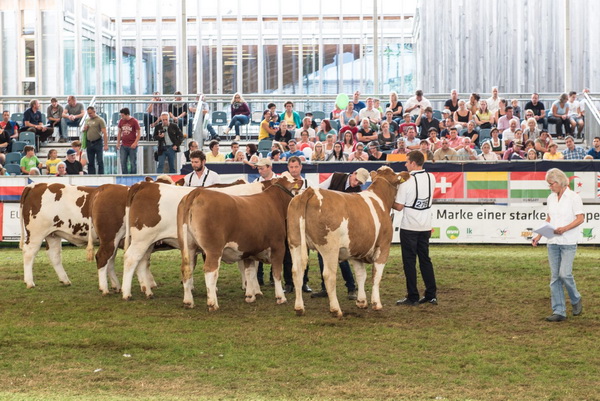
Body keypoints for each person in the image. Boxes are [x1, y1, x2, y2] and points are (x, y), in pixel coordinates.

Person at [532, 168, 584, 322]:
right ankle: (559, 311)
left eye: (551, 183)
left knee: (565, 274)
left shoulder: (574, 197)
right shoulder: (551, 198)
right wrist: (539, 235)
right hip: (553, 241)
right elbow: (550, 218)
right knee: (555, 277)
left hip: (568, 241)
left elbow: (580, 218)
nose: (550, 187)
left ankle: (575, 298)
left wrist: (565, 228)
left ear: (560, 181)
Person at [310, 168, 370, 300]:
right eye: (356, 180)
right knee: (323, 257)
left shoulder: (357, 193)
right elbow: (319, 190)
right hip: (327, 223)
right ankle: (327, 287)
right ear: (353, 173)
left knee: (341, 258)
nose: (355, 184)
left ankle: (350, 287)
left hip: (343, 229)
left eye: (359, 183)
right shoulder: (335, 177)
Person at [393, 150, 437, 306]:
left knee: (409, 262)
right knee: (425, 260)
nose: (405, 164)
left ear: (413, 163)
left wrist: (387, 200)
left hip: (410, 227)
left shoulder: (407, 182)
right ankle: (431, 294)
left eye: (407, 162)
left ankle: (413, 296)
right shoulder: (432, 178)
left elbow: (398, 207)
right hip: (425, 226)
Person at [283, 156, 311, 293]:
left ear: (300, 167)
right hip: (288, 221)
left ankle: (304, 281)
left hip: (303, 222)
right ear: (288, 168)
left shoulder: (306, 183)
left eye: (296, 167)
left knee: (305, 252)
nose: (294, 170)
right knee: (288, 253)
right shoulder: (284, 183)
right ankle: (288, 283)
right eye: (291, 167)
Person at [82, 106, 108, 174]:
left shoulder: (100, 120)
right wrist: (84, 129)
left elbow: (104, 133)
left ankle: (101, 175)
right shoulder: (87, 120)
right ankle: (91, 175)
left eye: (90, 113)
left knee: (99, 161)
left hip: (97, 142)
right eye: (88, 113)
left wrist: (105, 145)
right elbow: (84, 130)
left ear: (94, 112)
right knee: (90, 162)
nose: (89, 115)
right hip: (89, 143)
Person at [116, 107, 141, 174]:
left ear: (127, 115)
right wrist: (118, 142)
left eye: (123, 115)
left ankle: (133, 176)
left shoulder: (134, 121)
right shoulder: (121, 121)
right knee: (123, 162)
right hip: (123, 145)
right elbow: (119, 133)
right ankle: (124, 175)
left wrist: (135, 143)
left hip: (132, 145)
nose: (122, 117)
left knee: (133, 162)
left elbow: (138, 133)